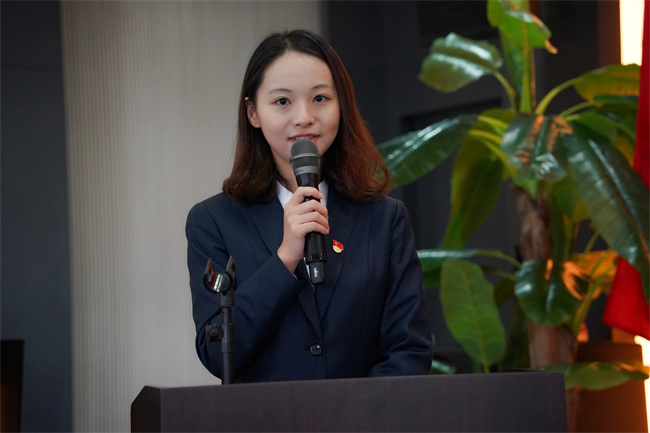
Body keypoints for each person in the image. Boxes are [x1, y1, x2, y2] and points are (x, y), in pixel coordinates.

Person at [186, 29, 433, 383]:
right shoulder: (214, 221)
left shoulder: (384, 218)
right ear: (253, 113)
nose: (304, 116)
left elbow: (409, 350)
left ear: (341, 105)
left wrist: (356, 411)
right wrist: (285, 259)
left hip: (366, 413)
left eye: (320, 98)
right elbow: (217, 353)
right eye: (282, 101)